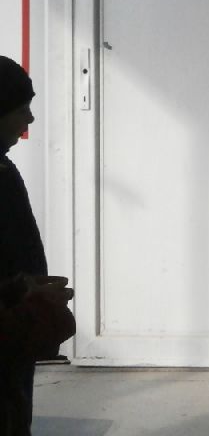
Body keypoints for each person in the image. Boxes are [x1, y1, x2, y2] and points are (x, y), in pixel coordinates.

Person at [0, 57, 75, 436]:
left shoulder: (3, 168)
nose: (30, 119)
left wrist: (32, 287)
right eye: (21, 109)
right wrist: (22, 290)